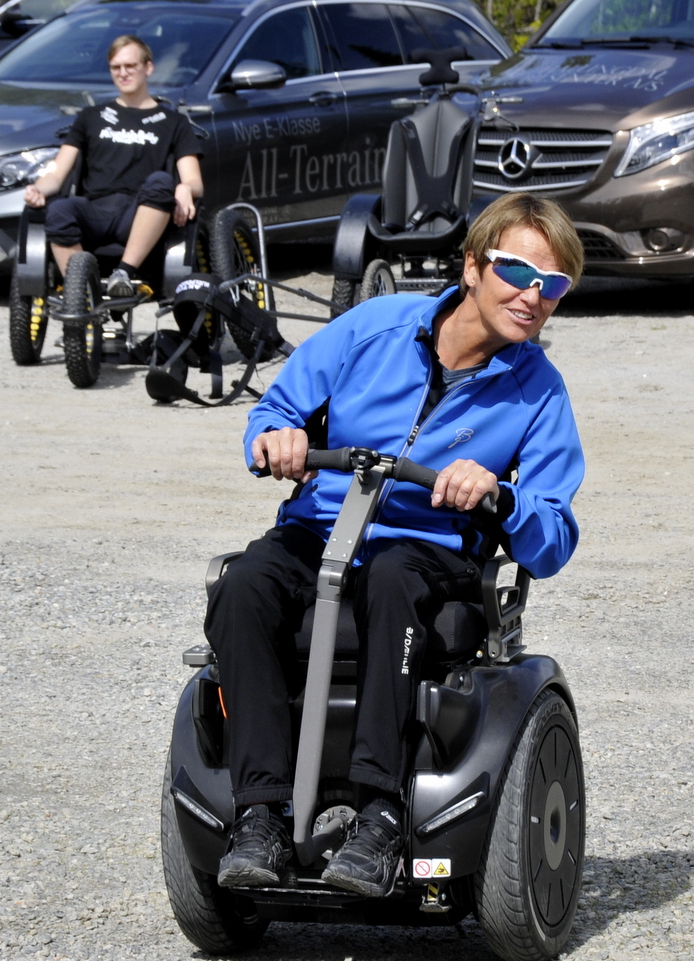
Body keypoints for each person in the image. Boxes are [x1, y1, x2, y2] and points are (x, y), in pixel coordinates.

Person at [207, 192, 587, 897]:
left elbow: (554, 534)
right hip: (319, 531)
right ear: (472, 267)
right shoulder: (375, 327)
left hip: (429, 552)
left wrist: (500, 495)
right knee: (242, 584)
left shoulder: (539, 393)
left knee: (388, 576)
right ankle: (259, 813)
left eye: (554, 283)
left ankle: (380, 815)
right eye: (517, 272)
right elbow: (275, 411)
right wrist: (276, 439)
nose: (535, 296)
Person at [23, 35, 203, 297]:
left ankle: (124, 272)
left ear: (148, 68)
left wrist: (185, 188)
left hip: (140, 213)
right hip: (96, 211)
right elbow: (58, 171)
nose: (123, 73)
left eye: (131, 66)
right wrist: (38, 188)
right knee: (59, 209)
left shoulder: (173, 122)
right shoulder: (91, 117)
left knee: (162, 181)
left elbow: (194, 180)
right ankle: (80, 296)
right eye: (116, 67)